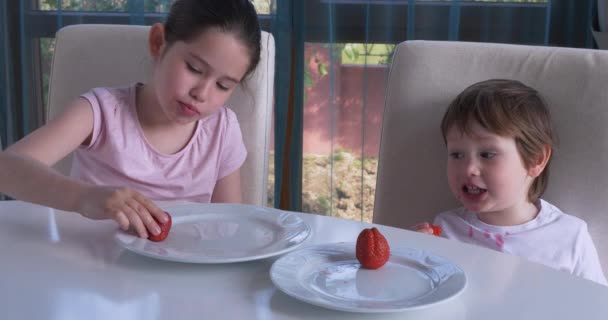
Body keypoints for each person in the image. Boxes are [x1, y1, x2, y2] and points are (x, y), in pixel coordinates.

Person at [0, 0, 262, 239]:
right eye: (194, 68)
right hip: (93, 274)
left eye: (223, 85)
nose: (201, 93)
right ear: (158, 43)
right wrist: (83, 197)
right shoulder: (101, 113)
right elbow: (6, 168)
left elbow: (231, 227)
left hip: (180, 280)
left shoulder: (222, 130)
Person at [414, 79, 607, 285]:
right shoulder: (445, 229)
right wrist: (412, 257)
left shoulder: (569, 236)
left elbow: (598, 306)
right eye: (457, 154)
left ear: (536, 159)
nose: (469, 169)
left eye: (487, 154)